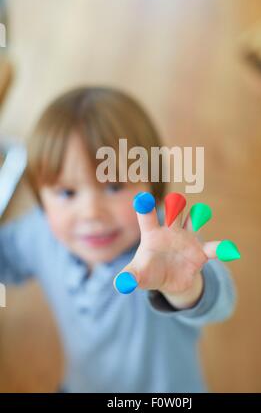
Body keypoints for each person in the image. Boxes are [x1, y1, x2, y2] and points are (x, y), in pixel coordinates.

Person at [0, 86, 236, 392]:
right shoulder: (41, 232)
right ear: (41, 199)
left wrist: (188, 288)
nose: (91, 213)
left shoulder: (166, 249)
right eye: (67, 193)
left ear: (153, 185)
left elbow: (222, 302)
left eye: (113, 187)